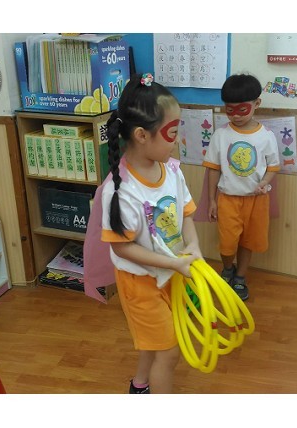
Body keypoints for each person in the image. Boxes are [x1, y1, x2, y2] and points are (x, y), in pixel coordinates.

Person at [100, 73, 202, 394]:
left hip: (169, 272)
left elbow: (185, 213)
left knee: (156, 340)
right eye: (172, 133)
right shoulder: (122, 190)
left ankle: (140, 385)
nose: (177, 141)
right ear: (142, 135)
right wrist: (172, 263)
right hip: (140, 283)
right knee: (169, 350)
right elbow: (122, 248)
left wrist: (194, 245)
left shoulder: (171, 170)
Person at [202, 73, 280, 301]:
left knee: (249, 241)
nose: (235, 115)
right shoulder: (221, 135)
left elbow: (273, 167)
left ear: (257, 103)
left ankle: (240, 277)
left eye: (242, 109)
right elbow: (213, 169)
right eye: (229, 110)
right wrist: (212, 200)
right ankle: (228, 268)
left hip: (257, 201)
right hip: (228, 199)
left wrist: (264, 183)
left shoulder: (266, 136)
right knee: (227, 243)